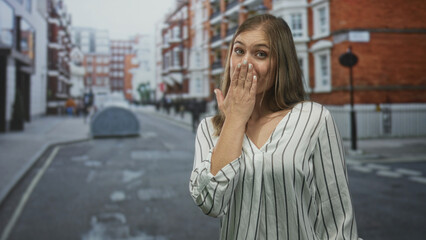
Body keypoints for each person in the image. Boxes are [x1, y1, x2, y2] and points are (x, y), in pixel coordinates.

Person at [189, 14, 360, 240]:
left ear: (281, 63)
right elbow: (210, 203)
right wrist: (235, 120)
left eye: (261, 54)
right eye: (239, 51)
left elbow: (337, 218)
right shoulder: (208, 128)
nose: (245, 63)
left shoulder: (315, 119)